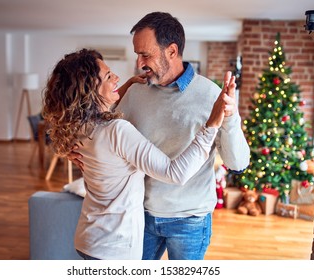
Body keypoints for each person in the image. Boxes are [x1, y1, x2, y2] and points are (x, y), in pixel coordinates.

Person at [69, 12, 250, 260]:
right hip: (140, 217)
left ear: (172, 51)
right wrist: (71, 149)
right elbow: (87, 118)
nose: (140, 62)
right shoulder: (134, 91)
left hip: (189, 220)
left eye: (146, 54)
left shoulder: (210, 95)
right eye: (137, 54)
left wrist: (230, 116)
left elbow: (237, 163)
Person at [42, 48, 234, 260]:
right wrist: (211, 125)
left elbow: (99, 108)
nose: (116, 77)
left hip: (88, 239)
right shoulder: (116, 130)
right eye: (108, 76)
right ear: (89, 91)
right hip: (115, 248)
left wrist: (128, 85)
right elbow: (176, 173)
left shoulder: (78, 126)